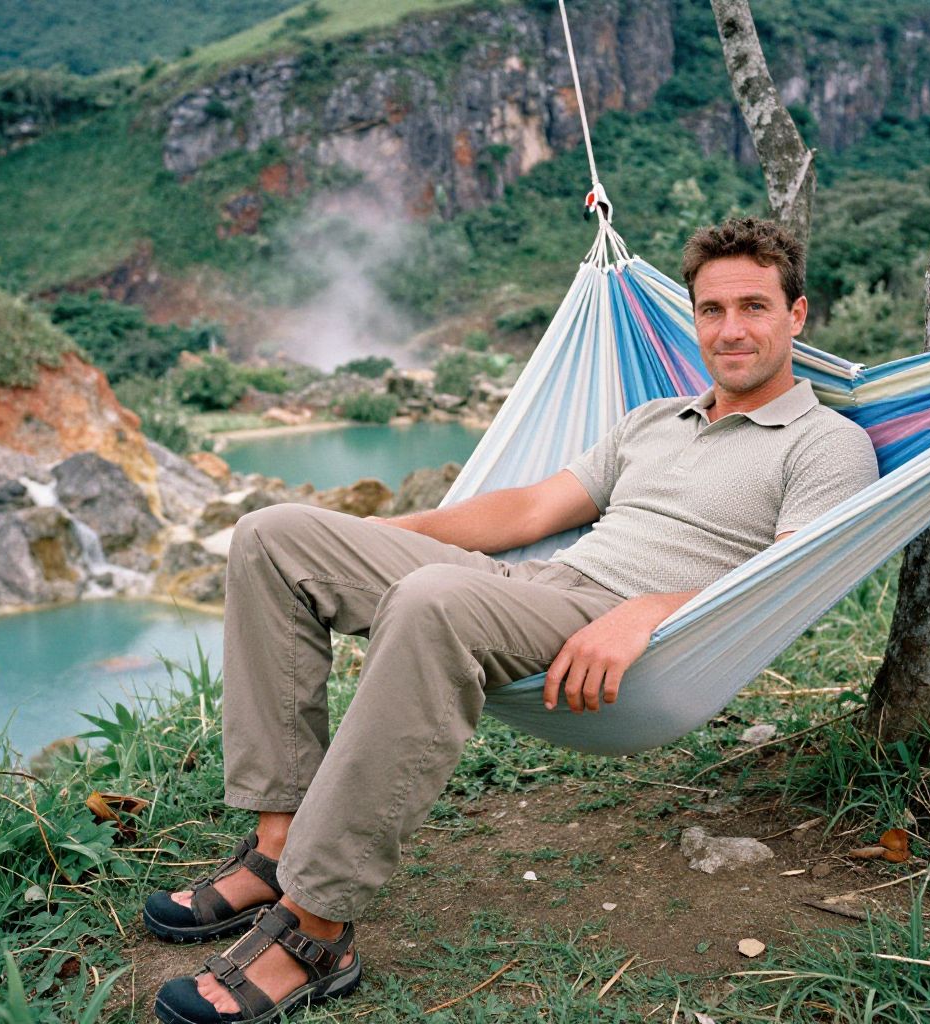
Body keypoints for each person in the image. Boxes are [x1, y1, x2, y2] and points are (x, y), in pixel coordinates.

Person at [147, 217, 879, 1024]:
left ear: (797, 315)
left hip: (643, 631)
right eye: (712, 310)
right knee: (273, 535)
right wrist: (373, 538)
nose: (731, 329)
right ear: (694, 319)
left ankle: (319, 923)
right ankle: (278, 846)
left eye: (754, 307)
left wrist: (646, 611)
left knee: (434, 600)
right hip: (530, 586)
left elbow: (783, 580)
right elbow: (531, 508)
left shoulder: (827, 444)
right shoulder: (654, 419)